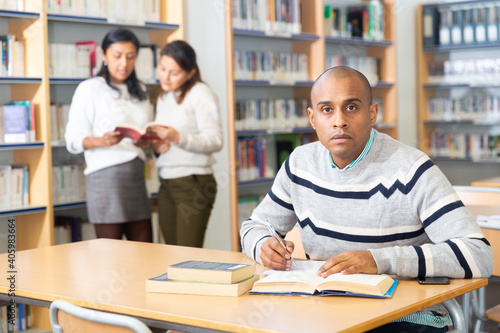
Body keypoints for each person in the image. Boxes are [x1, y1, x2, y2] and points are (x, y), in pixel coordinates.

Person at [240, 66, 493, 332]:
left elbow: (478, 255)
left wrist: (380, 261)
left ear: (372, 113)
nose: (339, 121)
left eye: (351, 108)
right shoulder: (300, 164)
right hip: (322, 309)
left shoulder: (412, 168)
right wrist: (263, 245)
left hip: (401, 316)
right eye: (327, 110)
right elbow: (253, 226)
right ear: (313, 119)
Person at [65, 28, 153, 242]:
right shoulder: (89, 89)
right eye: (117, 56)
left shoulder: (140, 90)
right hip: (104, 177)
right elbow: (73, 139)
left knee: (145, 252)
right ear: (104, 55)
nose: (124, 63)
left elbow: (144, 133)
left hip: (135, 174)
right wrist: (102, 141)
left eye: (131, 57)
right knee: (109, 253)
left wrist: (144, 141)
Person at [147, 40, 223, 248]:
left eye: (174, 72)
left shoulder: (200, 93)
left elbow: (216, 140)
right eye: (162, 69)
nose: (165, 77)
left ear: (190, 73)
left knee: (187, 255)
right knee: (172, 252)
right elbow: (167, 142)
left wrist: (178, 137)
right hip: (166, 182)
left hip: (193, 182)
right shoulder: (165, 97)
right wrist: (157, 146)